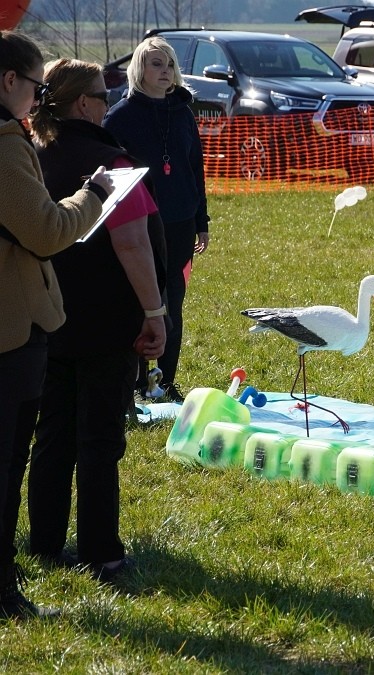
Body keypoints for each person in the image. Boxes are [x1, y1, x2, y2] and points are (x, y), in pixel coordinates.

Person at [27, 58, 168, 584]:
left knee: (52, 433)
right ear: (84, 104)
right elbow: (132, 243)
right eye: (103, 98)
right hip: (108, 323)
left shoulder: (28, 156)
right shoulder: (114, 165)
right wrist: (156, 313)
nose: (109, 107)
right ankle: (102, 553)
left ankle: (43, 543)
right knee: (100, 439)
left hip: (43, 317)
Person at [0, 30, 113, 620]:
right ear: (8, 82)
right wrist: (92, 194)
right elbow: (45, 230)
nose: (37, 99)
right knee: (7, 458)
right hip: (11, 329)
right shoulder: (3, 144)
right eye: (35, 86)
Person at [104, 36, 209, 403]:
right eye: (156, 64)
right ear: (139, 69)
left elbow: (193, 167)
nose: (164, 71)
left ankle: (163, 383)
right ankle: (133, 383)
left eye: (169, 65)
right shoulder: (120, 116)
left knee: (172, 302)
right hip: (139, 223)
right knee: (138, 301)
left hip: (180, 222)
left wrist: (202, 220)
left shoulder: (183, 111)